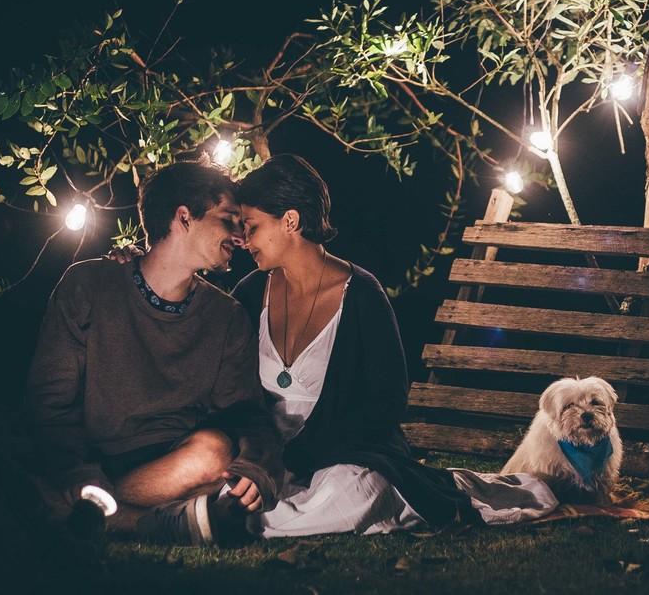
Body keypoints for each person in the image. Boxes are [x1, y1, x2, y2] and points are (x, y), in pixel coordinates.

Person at [228, 154, 557, 538]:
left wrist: (299, 457)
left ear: (290, 221)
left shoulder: (361, 294)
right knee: (219, 476)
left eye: (251, 227)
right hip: (265, 454)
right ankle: (248, 513)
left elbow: (386, 402)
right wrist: (263, 456)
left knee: (355, 491)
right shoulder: (252, 293)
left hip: (342, 455)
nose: (244, 241)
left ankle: (236, 522)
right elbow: (232, 387)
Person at [25, 159, 284, 547]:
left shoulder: (225, 316)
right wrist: (80, 474)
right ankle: (155, 524)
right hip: (94, 459)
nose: (240, 237)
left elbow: (246, 417)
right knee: (17, 471)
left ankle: (91, 512)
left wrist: (257, 468)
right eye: (228, 219)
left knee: (214, 453)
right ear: (184, 217)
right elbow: (50, 407)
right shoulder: (88, 285)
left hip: (176, 468)